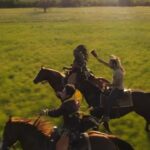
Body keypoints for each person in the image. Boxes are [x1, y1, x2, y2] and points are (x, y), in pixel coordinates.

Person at [40, 84, 81, 150]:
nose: (61, 92)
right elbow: (63, 102)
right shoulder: (72, 101)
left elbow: (56, 113)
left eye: (63, 92)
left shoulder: (66, 105)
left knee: (56, 135)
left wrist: (46, 112)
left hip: (70, 128)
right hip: (75, 126)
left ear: (67, 95)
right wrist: (60, 95)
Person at [91, 50, 125, 122]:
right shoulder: (115, 68)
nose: (109, 64)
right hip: (114, 87)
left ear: (114, 64)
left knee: (109, 100)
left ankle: (106, 116)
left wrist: (106, 84)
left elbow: (117, 84)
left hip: (118, 89)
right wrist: (97, 57)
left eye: (110, 63)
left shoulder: (118, 72)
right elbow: (104, 63)